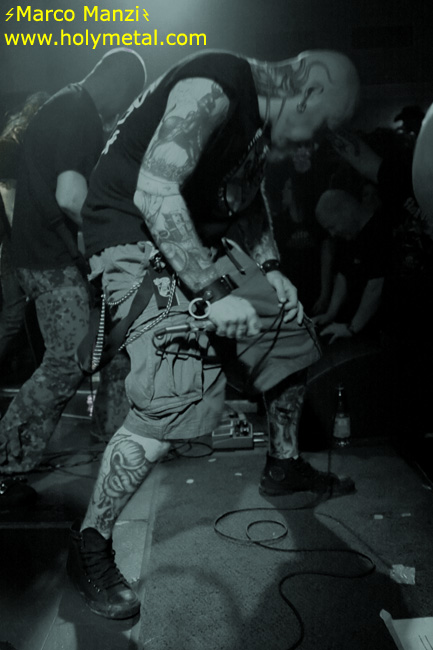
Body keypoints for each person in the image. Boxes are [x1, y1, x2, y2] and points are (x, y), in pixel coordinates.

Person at [67, 49, 360, 620]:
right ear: (307, 92)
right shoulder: (215, 85)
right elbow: (155, 191)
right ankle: (91, 545)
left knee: (289, 332)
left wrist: (270, 269)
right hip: (130, 227)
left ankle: (283, 464)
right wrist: (211, 292)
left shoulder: (260, 123)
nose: (315, 145)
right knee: (174, 390)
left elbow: (246, 198)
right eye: (324, 126)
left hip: (192, 232)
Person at [0, 49, 146, 496]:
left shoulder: (63, 104)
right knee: (67, 360)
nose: (120, 114)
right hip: (50, 261)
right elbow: (69, 196)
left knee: (116, 349)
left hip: (46, 255)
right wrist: (117, 232)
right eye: (127, 103)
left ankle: (112, 446)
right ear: (120, 86)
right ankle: (6, 461)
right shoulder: (78, 112)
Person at [0, 92, 49, 373]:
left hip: (13, 240)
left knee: (19, 310)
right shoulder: (10, 150)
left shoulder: (14, 148)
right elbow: (9, 203)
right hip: (13, 242)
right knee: (15, 312)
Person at [313, 188, 390, 343]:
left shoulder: (378, 231)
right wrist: (330, 314)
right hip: (364, 327)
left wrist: (352, 328)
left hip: (387, 328)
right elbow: (343, 275)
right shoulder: (349, 237)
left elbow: (375, 287)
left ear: (345, 211)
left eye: (332, 226)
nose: (332, 233)